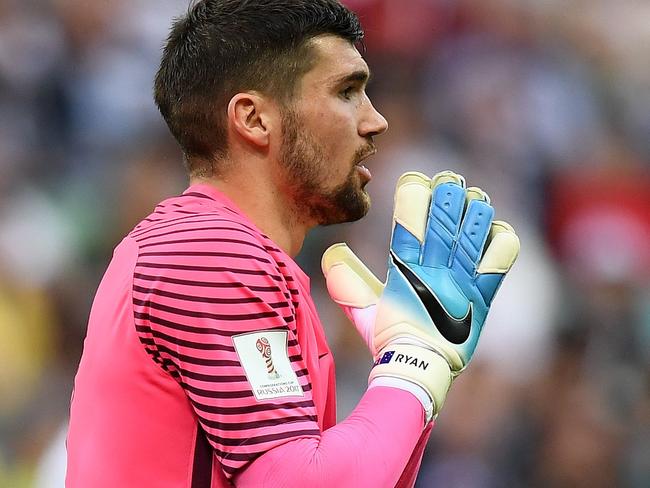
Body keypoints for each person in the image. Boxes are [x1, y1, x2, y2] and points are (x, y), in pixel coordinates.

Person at [66, 1, 519, 487]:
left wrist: (407, 376)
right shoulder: (206, 254)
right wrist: (412, 366)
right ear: (254, 119)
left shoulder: (237, 257)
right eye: (347, 92)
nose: (376, 121)